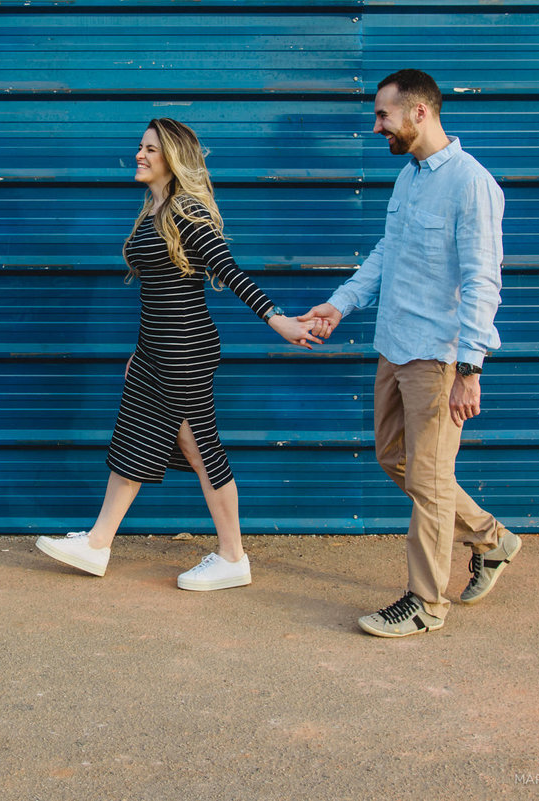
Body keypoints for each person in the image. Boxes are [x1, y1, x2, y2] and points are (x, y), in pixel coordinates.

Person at [36, 118, 321, 590]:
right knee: (136, 438)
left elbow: (228, 270)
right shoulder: (155, 209)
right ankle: (98, 544)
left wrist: (278, 319)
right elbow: (160, 295)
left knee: (199, 447)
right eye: (140, 146)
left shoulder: (186, 211)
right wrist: (140, 351)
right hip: (158, 347)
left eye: (150, 149)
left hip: (185, 348)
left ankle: (231, 557)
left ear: (172, 158)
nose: (139, 155)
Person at [299, 69, 521, 637]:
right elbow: (385, 252)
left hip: (438, 356)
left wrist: (469, 367)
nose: (377, 127)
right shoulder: (410, 177)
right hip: (394, 346)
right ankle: (493, 539)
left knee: (427, 479)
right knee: (394, 458)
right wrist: (339, 304)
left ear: (419, 112)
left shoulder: (471, 184)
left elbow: (481, 279)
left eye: (383, 115)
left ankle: (426, 603)